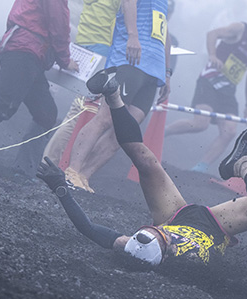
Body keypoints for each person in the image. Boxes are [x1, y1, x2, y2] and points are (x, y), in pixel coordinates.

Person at [37, 68, 247, 266]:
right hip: (217, 226)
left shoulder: (133, 246)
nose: (161, 234)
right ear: (167, 253)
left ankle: (114, 98)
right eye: (163, 237)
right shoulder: (185, 262)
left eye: (156, 232)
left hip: (172, 215)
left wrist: (60, 188)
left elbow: (88, 228)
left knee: (145, 161)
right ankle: (242, 164)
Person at [63, 0, 173, 193]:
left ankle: (84, 176)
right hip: (130, 60)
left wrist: (167, 72)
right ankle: (72, 171)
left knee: (125, 133)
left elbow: (165, 31)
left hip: (153, 70)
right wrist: (133, 36)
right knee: (105, 118)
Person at [164, 0, 247, 173]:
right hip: (209, 81)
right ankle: (163, 131)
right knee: (201, 123)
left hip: (228, 91)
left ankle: (200, 168)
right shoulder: (239, 28)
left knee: (229, 131)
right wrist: (212, 55)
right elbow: (212, 34)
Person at [0, 0, 78, 176]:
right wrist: (65, 59)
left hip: (28, 50)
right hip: (26, 49)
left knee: (46, 113)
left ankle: (24, 172)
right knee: (0, 103)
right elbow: (58, 23)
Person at [42, 0, 123, 168]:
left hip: (89, 44)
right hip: (102, 50)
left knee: (78, 111)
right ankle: (51, 164)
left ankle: (50, 163)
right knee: (80, 111)